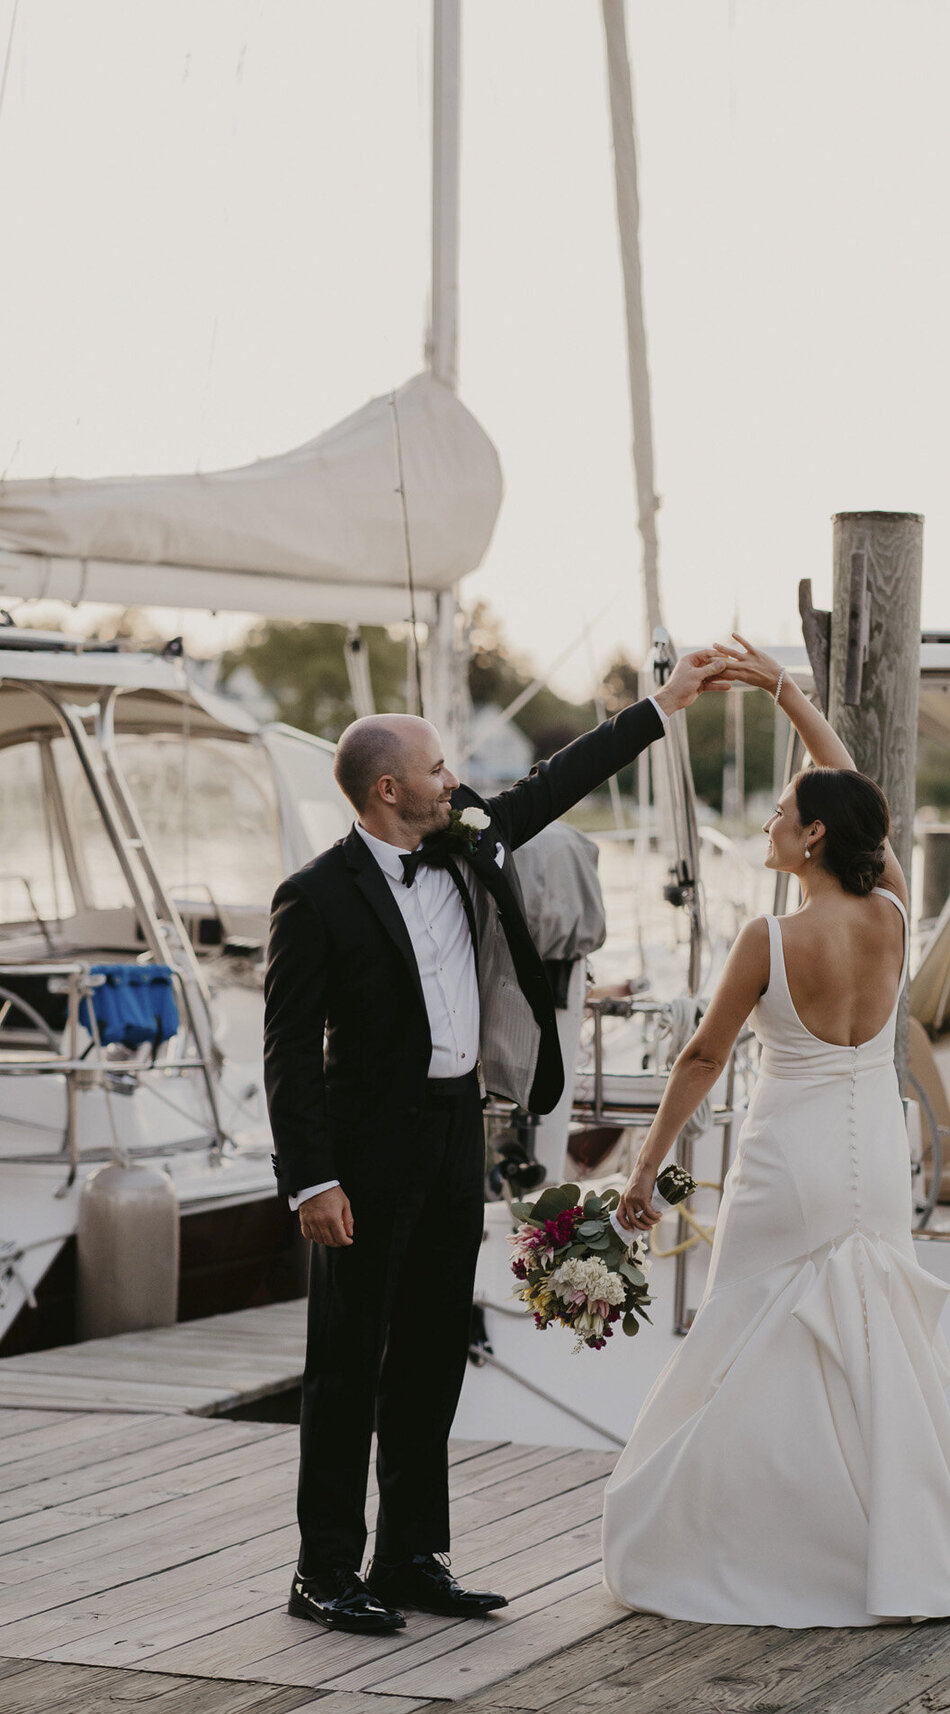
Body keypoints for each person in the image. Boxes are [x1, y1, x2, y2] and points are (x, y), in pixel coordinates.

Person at [264, 649, 728, 1634]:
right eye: (437, 768)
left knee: (434, 1347)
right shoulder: (316, 895)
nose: (454, 781)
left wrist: (663, 706)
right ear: (389, 789)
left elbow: (555, 782)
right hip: (363, 1146)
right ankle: (322, 1570)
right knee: (347, 1359)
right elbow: (288, 1053)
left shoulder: (467, 839)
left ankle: (410, 1556)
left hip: (451, 1131)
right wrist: (313, 1178)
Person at [601, 633, 950, 1628]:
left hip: (787, 1165)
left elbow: (701, 1060)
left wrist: (644, 1167)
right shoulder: (898, 916)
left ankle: (747, 1547)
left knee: (745, 1343)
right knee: (870, 1353)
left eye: (784, 814)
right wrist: (785, 690)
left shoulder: (768, 939)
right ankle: (887, 1553)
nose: (774, 822)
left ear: (815, 838)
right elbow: (852, 786)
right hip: (875, 1167)